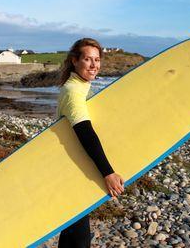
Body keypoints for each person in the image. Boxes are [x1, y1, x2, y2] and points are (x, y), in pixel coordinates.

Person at [57, 38, 124, 248]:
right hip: (73, 173)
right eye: (88, 59)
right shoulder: (73, 92)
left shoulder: (81, 87)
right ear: (75, 61)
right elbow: (85, 132)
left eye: (97, 60)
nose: (94, 65)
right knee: (79, 239)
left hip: (75, 168)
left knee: (72, 235)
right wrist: (108, 173)